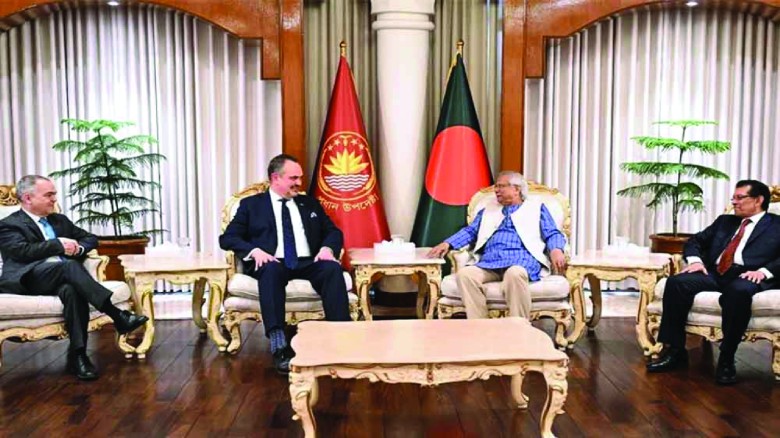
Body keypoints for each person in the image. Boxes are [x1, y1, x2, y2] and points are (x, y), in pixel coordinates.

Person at [0, 175, 148, 381]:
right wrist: (59, 245)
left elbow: (90, 238)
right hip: (28, 278)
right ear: (27, 198)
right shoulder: (9, 224)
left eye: (54, 194)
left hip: (63, 277)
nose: (54, 199)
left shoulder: (59, 220)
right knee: (69, 266)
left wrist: (78, 248)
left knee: (72, 290)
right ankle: (117, 315)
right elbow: (22, 252)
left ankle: (78, 355)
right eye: (49, 195)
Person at [219, 154, 350, 374]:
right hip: (272, 261)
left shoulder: (309, 203)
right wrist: (254, 251)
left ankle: (341, 339)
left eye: (300, 178)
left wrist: (327, 249)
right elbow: (228, 238)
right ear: (275, 178)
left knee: (332, 269)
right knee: (270, 271)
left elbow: (333, 232)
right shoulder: (252, 205)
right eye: (293, 178)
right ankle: (279, 344)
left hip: (308, 262)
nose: (299, 183)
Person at [647, 180, 780, 384]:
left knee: (738, 293)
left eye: (740, 198)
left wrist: (764, 272)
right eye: (733, 198)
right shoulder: (725, 221)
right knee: (676, 283)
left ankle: (727, 358)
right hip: (715, 272)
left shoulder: (776, 225)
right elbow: (694, 241)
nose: (734, 202)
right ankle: (675, 352)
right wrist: (695, 261)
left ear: (758, 200)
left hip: (748, 275)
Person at [428, 171, 567, 319]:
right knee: (466, 274)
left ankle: (519, 325)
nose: (496, 190)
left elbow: (552, 233)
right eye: (496, 186)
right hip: (490, 262)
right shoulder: (487, 210)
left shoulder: (536, 208)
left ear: (517, 189)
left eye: (501, 186)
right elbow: (470, 231)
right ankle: (480, 325)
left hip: (520, 261)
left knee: (515, 274)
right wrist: (448, 243)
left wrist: (556, 249)